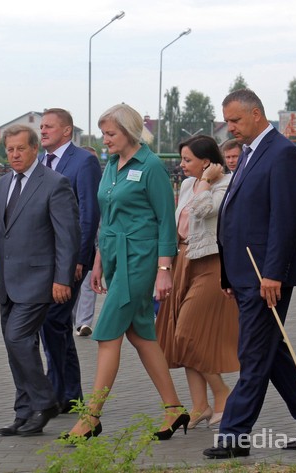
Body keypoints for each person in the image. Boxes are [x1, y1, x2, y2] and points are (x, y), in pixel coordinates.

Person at [203, 89, 296, 459]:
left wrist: (273, 273)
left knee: (254, 354)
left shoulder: (283, 153)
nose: (230, 127)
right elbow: (236, 213)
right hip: (245, 273)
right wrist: (229, 274)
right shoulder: (248, 153)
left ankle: (234, 436)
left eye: (235, 120)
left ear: (256, 114)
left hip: (266, 275)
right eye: (227, 120)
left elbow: (285, 220)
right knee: (271, 351)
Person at [66, 103, 189, 442]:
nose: (104, 139)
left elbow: (167, 220)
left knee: (107, 333)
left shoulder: (150, 167)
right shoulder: (111, 165)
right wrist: (98, 260)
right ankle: (174, 408)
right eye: (103, 133)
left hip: (141, 257)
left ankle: (91, 416)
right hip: (114, 254)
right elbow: (108, 216)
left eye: (110, 133)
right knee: (140, 334)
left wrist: (164, 269)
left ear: (129, 132)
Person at [0, 125, 79, 437]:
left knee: (17, 338)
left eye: (21, 148)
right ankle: (24, 411)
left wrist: (62, 278)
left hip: (40, 281)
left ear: (34, 149)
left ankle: (44, 402)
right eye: (10, 149)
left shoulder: (55, 184)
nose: (15, 155)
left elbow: (67, 237)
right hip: (6, 281)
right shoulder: (1, 184)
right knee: (15, 345)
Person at [155, 135, 239, 430]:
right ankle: (200, 405)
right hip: (184, 262)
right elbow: (180, 223)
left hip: (211, 264)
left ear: (206, 162)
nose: (182, 165)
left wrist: (205, 183)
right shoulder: (189, 184)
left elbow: (205, 210)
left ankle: (222, 393)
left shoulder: (226, 184)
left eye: (187, 159)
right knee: (181, 336)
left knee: (187, 335)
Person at [37, 108, 102, 413]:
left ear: (66, 131)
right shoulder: (40, 161)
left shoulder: (84, 161)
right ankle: (66, 394)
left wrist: (80, 257)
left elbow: (89, 212)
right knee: (53, 324)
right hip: (40, 258)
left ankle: (63, 392)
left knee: (56, 320)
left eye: (49, 127)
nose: (43, 131)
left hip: (69, 259)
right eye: (41, 127)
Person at [72, 146, 101, 337]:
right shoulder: (73, 180)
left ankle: (84, 322)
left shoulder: (104, 180)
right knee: (74, 282)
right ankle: (73, 319)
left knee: (89, 281)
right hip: (77, 237)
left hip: (96, 236)